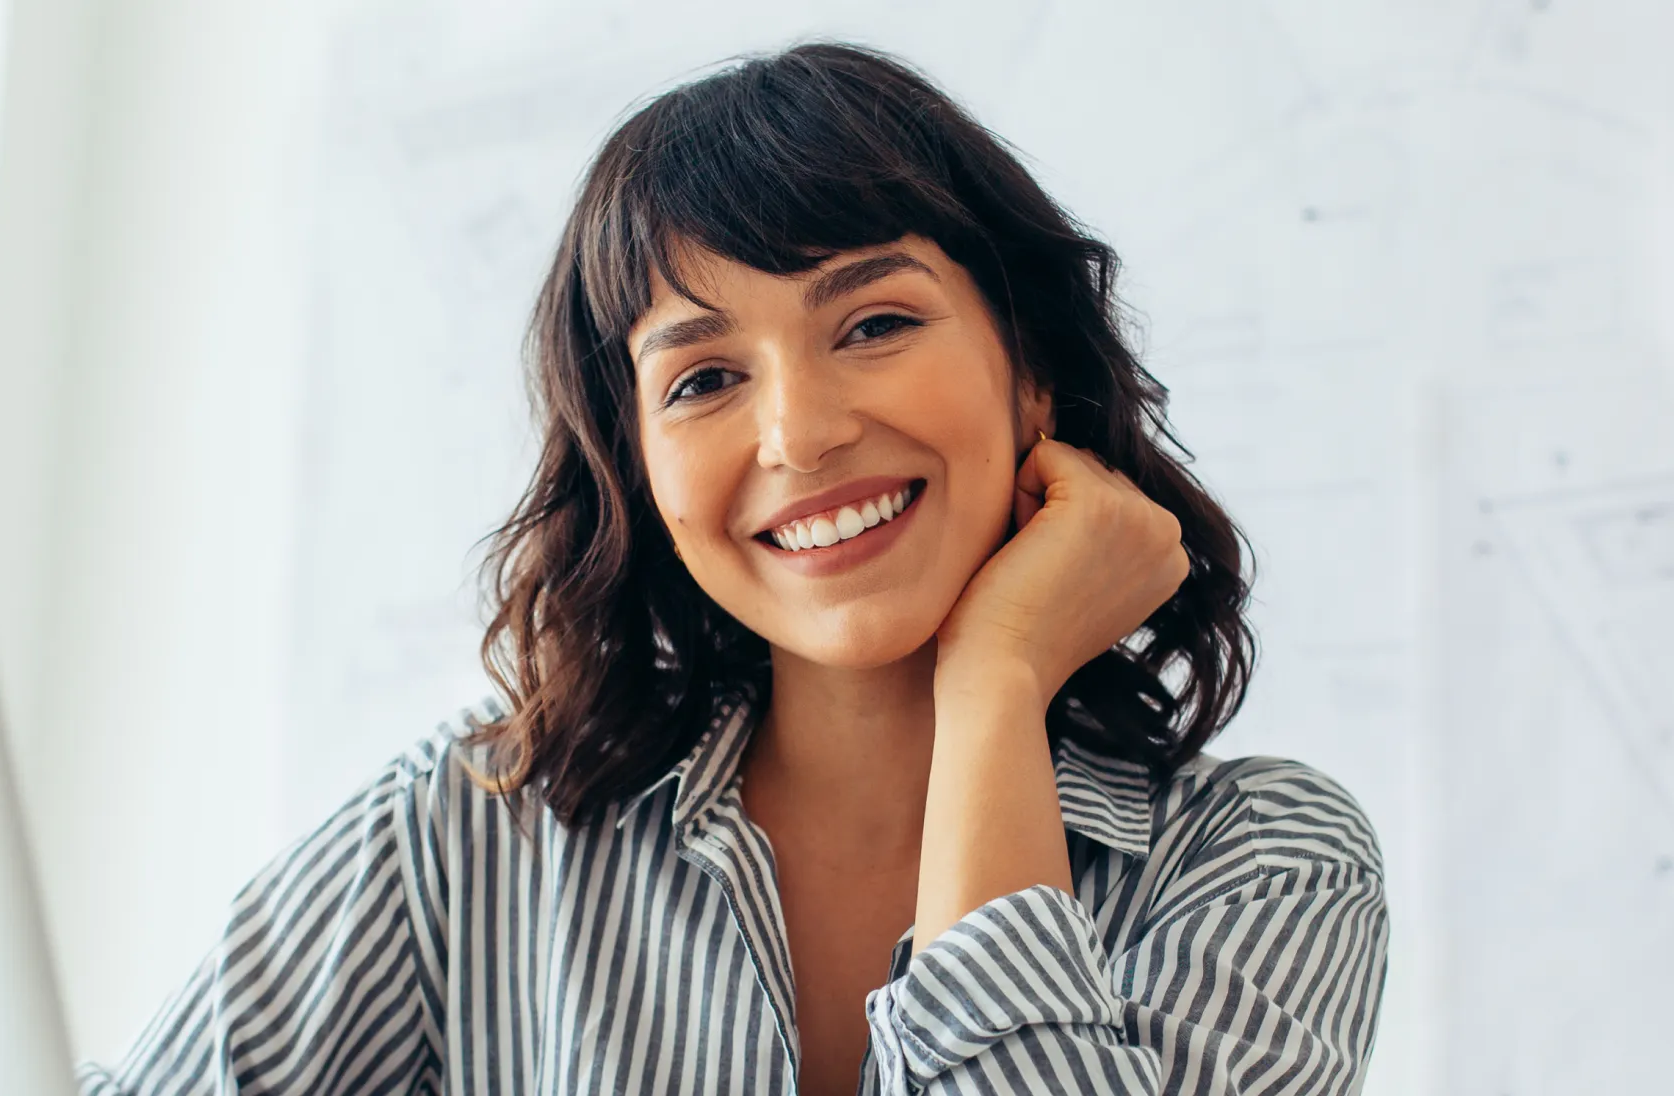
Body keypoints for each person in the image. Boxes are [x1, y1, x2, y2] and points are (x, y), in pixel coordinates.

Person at [79, 41, 1386, 1096]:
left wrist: (996, 688)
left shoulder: (1268, 862)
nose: (799, 433)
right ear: (638, 466)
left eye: (874, 323)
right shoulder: (481, 826)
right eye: (704, 377)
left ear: (1031, 373)